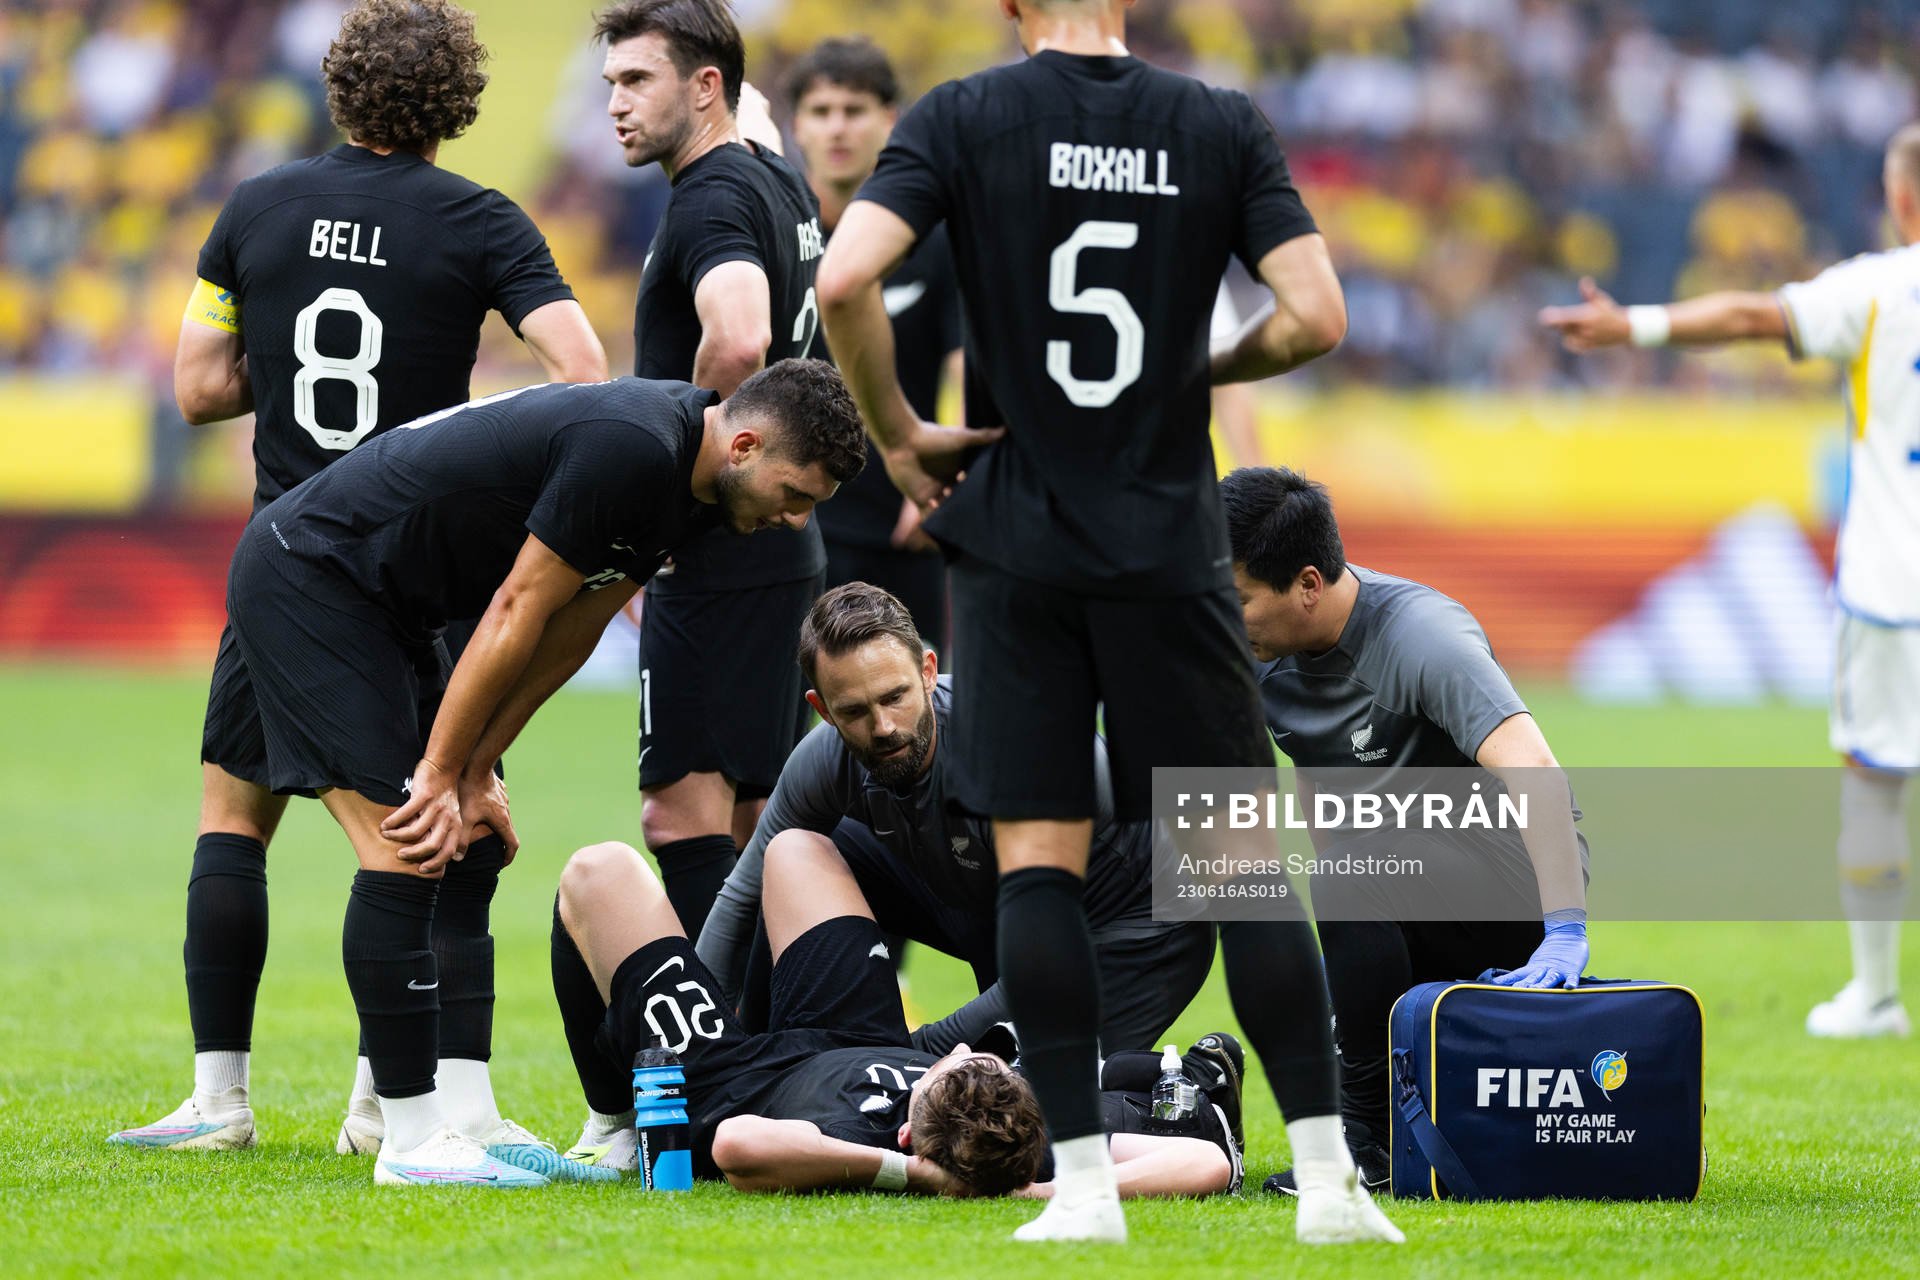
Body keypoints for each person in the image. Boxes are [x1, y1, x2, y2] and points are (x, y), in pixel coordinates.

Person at [817, 0, 1397, 1244]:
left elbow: (845, 275)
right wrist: (1193, 373)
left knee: (1039, 865)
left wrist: (902, 435)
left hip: (1020, 546)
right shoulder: (1218, 123)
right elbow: (1316, 314)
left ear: (1012, 7)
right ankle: (1332, 1184)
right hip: (1172, 547)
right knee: (1243, 874)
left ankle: (1079, 1187)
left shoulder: (965, 115)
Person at [108, 0, 606, 1158]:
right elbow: (581, 370)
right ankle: (401, 1102)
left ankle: (218, 1098)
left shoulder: (256, 205)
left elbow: (194, 387)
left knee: (234, 820)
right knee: (451, 820)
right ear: (459, 104)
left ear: (338, 91)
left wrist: (282, 379)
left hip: (277, 558)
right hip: (413, 567)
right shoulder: (483, 220)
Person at [194, 360, 863, 1187]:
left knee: (470, 838)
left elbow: (573, 628)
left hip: (393, 604)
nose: (796, 520)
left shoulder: (693, 490)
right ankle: (405, 1140)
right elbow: (516, 606)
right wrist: (438, 772)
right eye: (795, 493)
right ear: (747, 444)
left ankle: (465, 1111)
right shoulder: (632, 448)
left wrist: (474, 773)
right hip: (313, 577)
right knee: (406, 841)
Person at [1540, 124, 1920, 1040]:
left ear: (1904, 197)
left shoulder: (1880, 287)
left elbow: (1755, 316)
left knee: (1873, 783)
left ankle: (1874, 994)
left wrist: (1635, 325)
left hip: (1893, 584)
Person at [1220, 466, 1591, 1194]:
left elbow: (1535, 768)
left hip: (1506, 886)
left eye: (1237, 602)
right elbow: (1319, 773)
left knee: (1349, 875)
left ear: (1305, 585)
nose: (1226, 621)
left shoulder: (1423, 638)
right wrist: (1350, 956)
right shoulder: (1265, 651)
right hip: (1396, 886)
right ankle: (1371, 1117)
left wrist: (1565, 928)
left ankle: (1370, 1147)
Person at [551, 835, 1242, 1198]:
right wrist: (1040, 1190)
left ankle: (609, 1123)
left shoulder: (870, 1146)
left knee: (598, 870)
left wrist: (909, 1175)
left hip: (725, 1076)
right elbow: (1204, 1162)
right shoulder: (1028, 1137)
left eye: (953, 1067)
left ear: (910, 1130)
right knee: (797, 849)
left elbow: (736, 1146)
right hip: (855, 1032)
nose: (965, 1050)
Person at [593, 0, 846, 950]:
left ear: (705, 89)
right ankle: (776, 1040)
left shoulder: (711, 197)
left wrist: (682, 485)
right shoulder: (773, 177)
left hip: (722, 546)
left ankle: (718, 1043)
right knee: (753, 821)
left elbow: (738, 337)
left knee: (682, 815)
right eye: (610, 83)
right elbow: (766, 123)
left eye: (635, 81)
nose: (613, 104)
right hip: (779, 545)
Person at [696, 582, 1214, 1046]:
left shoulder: (1016, 756)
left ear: (927, 671)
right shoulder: (823, 761)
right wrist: (703, 1041)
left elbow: (1044, 962)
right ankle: (757, 1054)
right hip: (991, 907)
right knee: (791, 854)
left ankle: (1201, 1085)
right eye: (854, 711)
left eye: (894, 697)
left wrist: (912, 1053)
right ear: (823, 709)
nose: (882, 728)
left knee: (1007, 1110)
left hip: (1131, 936)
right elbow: (741, 898)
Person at [787, 38, 963, 652]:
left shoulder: (934, 237)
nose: (838, 127)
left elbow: (967, 363)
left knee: (913, 718)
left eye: (855, 110)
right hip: (786, 518)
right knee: (780, 721)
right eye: (822, 110)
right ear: (797, 124)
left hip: (903, 523)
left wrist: (946, 485)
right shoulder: (770, 230)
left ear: (889, 119)